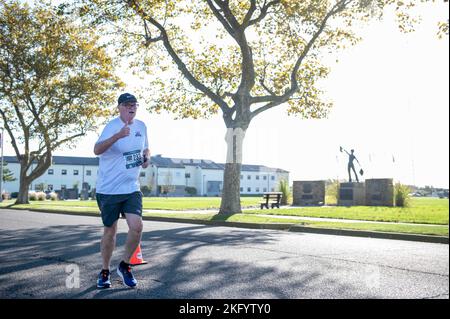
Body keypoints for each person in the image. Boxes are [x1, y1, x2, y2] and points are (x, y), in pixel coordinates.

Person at [94, 93, 150, 288]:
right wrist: (117, 136)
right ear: (119, 107)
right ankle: (104, 271)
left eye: (134, 105)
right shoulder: (111, 126)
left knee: (137, 226)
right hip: (108, 189)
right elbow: (97, 150)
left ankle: (125, 265)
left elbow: (146, 149)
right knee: (111, 230)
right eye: (127, 105)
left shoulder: (142, 126)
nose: (131, 108)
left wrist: (146, 158)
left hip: (131, 188)